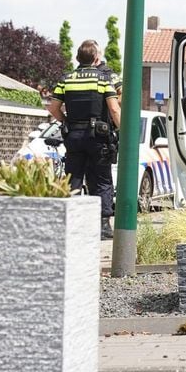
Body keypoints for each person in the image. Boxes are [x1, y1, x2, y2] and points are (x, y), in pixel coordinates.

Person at [49, 40, 121, 239]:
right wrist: (122, 131)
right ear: (96, 58)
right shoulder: (103, 79)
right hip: (98, 137)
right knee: (102, 180)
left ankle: (72, 224)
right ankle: (103, 226)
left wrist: (66, 121)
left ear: (77, 58)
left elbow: (53, 108)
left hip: (73, 136)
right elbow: (114, 109)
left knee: (73, 178)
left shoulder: (66, 80)